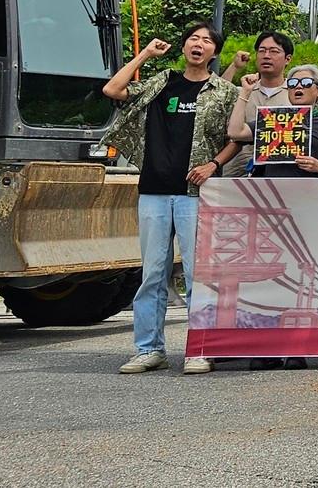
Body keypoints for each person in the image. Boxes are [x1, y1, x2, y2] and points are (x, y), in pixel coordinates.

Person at [104, 23, 239, 375]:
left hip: (197, 193)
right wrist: (146, 53)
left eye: (207, 41)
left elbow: (235, 138)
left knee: (198, 274)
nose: (199, 44)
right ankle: (149, 349)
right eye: (193, 38)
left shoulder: (224, 91)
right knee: (153, 273)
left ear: (214, 52)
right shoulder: (163, 82)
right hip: (154, 189)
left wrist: (214, 164)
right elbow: (113, 89)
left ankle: (199, 348)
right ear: (183, 46)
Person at [228, 63, 318, 370]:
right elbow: (235, 132)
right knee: (268, 278)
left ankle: (297, 347)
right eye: (293, 82)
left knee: (301, 278)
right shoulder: (272, 119)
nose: (298, 87)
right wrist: (244, 92)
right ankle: (266, 347)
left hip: (310, 211)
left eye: (306, 82)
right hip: (271, 210)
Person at [218, 31, 294, 177]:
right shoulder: (244, 91)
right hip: (236, 172)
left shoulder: (294, 94)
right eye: (262, 51)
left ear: (288, 59)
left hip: (279, 173)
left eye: (274, 51)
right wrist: (234, 66)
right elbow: (218, 95)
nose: (266, 56)